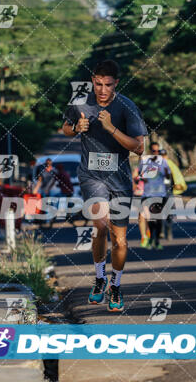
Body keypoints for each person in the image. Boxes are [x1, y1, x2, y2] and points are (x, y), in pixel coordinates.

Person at [62, 59, 147, 312]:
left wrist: (111, 129)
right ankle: (99, 279)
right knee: (100, 224)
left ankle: (116, 285)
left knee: (119, 240)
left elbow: (139, 147)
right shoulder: (79, 102)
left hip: (119, 179)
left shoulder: (127, 108)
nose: (102, 90)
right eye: (98, 84)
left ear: (116, 84)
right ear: (92, 81)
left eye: (108, 85)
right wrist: (76, 127)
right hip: (91, 175)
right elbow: (65, 127)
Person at [134, 143, 172, 250]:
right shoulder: (145, 161)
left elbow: (168, 176)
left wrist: (165, 172)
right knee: (149, 217)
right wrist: (143, 177)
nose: (156, 153)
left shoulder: (163, 162)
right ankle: (150, 238)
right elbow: (139, 173)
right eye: (154, 151)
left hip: (160, 193)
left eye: (157, 151)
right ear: (150, 151)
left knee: (158, 218)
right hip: (148, 194)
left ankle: (157, 240)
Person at [160, 148, 185, 241]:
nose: (162, 158)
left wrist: (178, 185)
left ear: (166, 155)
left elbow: (177, 177)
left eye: (164, 155)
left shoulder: (171, 165)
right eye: (160, 156)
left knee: (169, 213)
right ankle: (161, 230)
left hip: (168, 192)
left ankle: (169, 231)